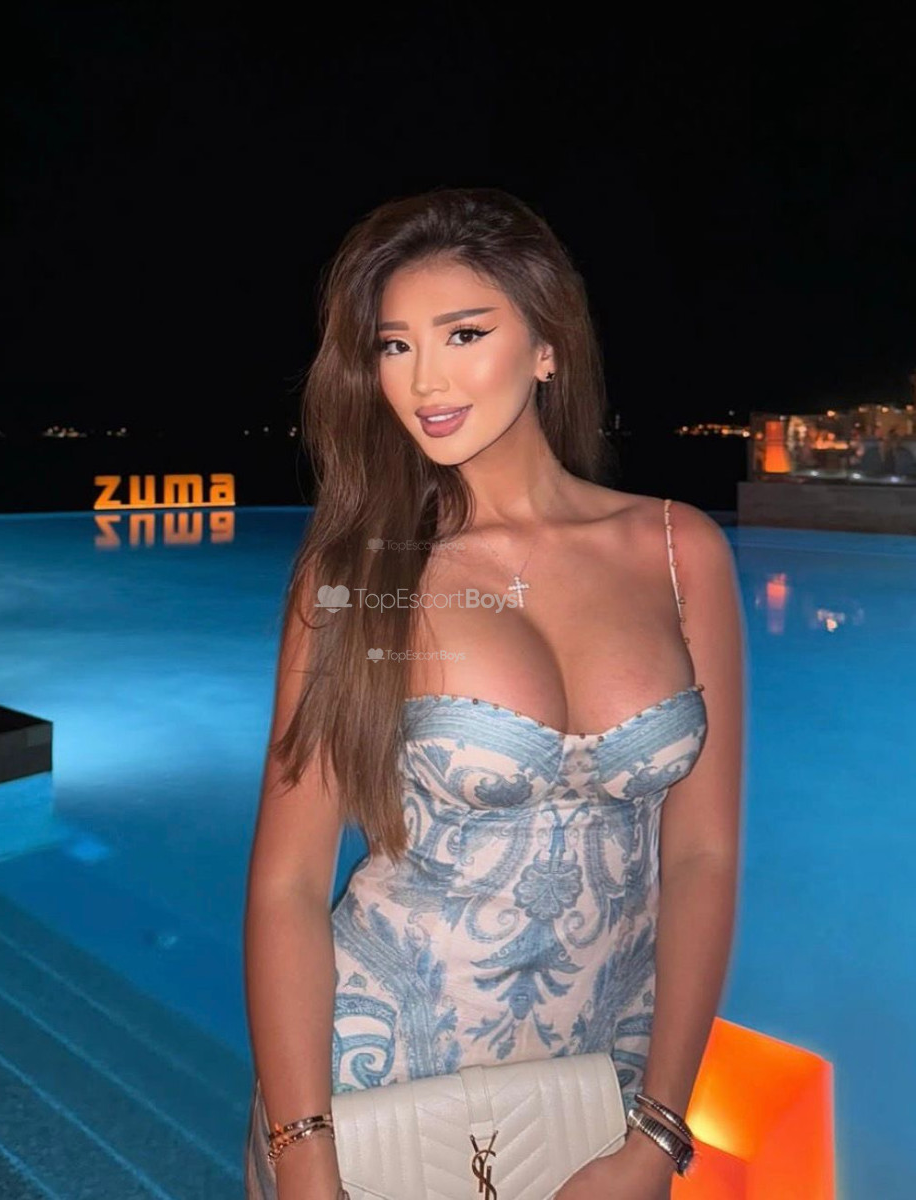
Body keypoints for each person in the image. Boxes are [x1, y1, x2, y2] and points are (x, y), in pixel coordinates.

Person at [243, 187, 744, 1200]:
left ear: (546, 345)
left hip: (607, 1087)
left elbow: (702, 856)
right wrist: (306, 1160)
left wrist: (658, 1131)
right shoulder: (361, 575)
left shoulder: (676, 550)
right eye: (393, 347)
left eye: (463, 334)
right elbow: (287, 884)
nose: (423, 379)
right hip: (375, 1085)